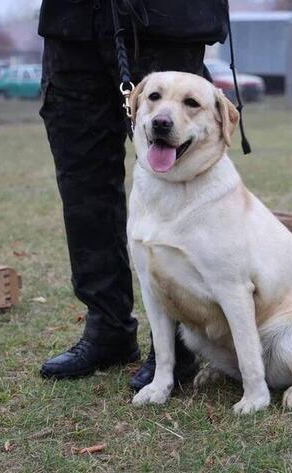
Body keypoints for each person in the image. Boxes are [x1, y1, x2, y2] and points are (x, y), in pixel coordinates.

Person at [37, 0, 230, 390]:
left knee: (182, 179)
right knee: (82, 182)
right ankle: (107, 327)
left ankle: (180, 346)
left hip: (163, 19)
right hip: (73, 23)